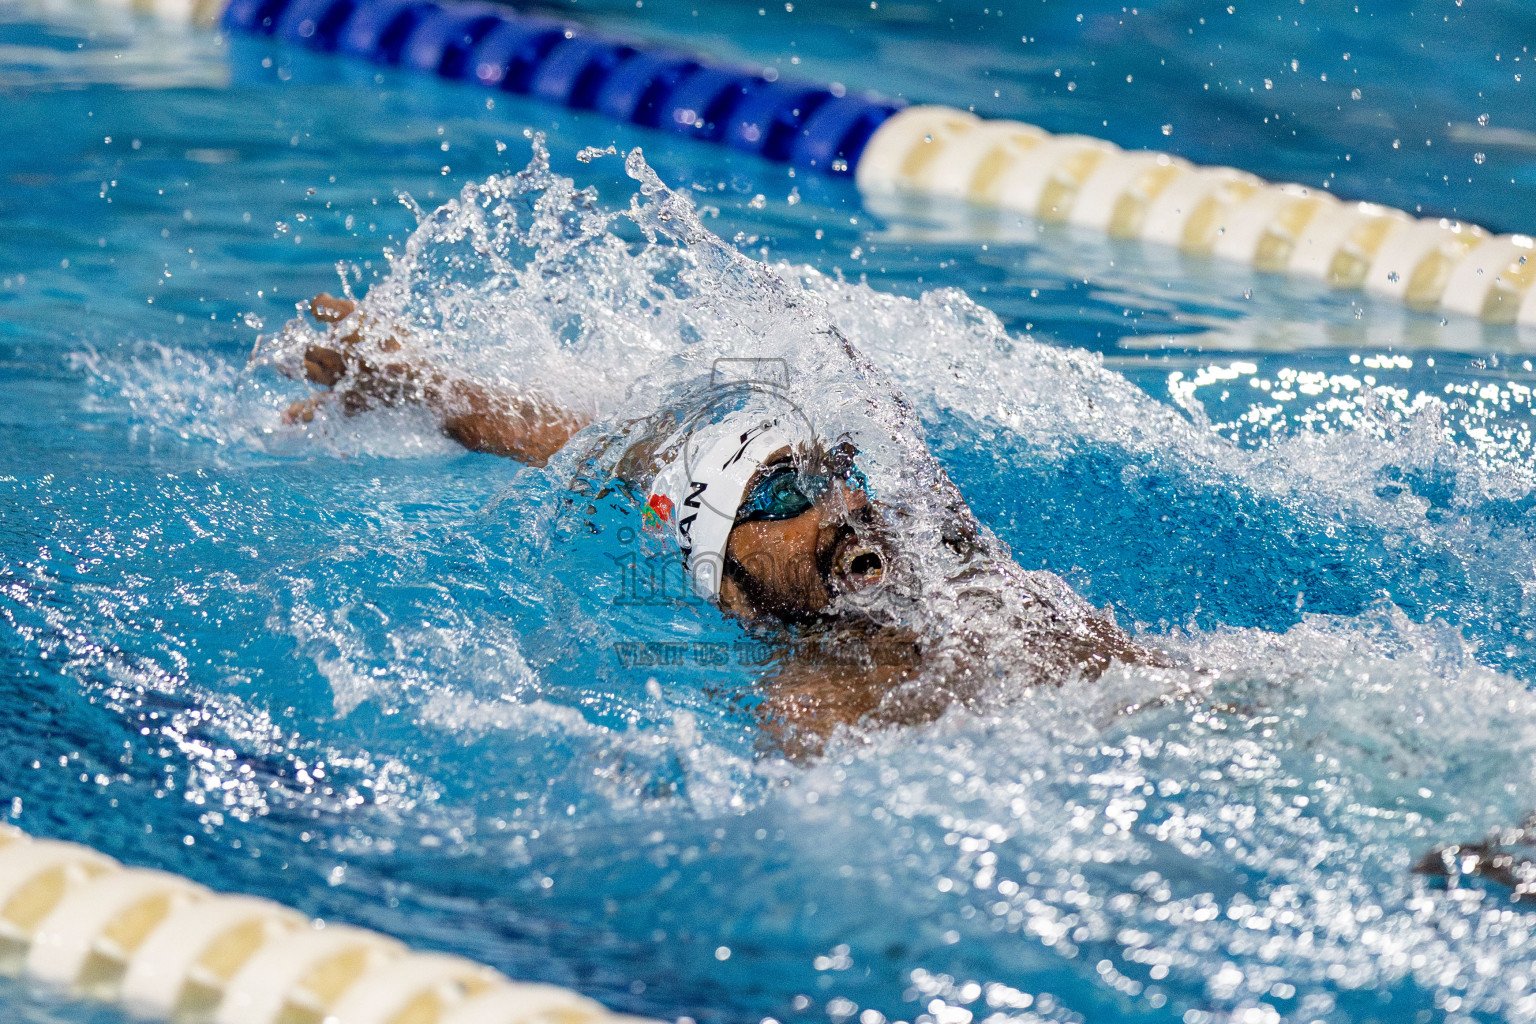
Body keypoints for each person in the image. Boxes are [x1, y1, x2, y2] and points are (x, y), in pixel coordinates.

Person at [277, 291, 1165, 755]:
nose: (838, 502)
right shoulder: (823, 707)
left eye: (831, 472)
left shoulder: (943, 554)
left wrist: (428, 386)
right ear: (731, 593)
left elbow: (609, 451)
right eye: (782, 496)